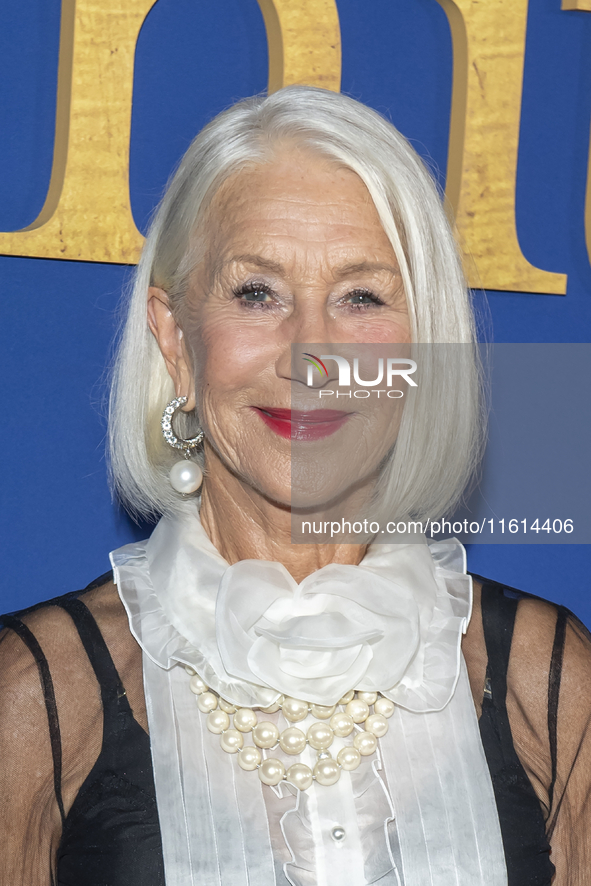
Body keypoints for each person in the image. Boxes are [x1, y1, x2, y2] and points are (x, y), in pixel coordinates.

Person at [1, 86, 590, 886]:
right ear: (175, 338)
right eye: (257, 293)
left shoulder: (547, 684)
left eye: (360, 297)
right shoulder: (34, 696)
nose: (312, 351)